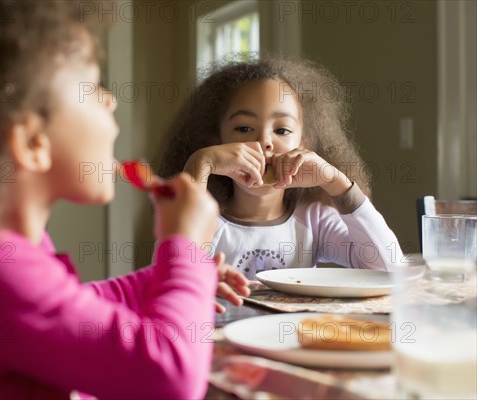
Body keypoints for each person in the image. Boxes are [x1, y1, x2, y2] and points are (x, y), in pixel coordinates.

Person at [0, 1, 247, 398]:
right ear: (32, 142)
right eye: (94, 88)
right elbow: (170, 377)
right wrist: (186, 249)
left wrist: (162, 280)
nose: (112, 100)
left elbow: (73, 310)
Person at [157, 57, 403, 279]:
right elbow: (170, 283)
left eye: (282, 130)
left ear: (303, 145)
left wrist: (336, 182)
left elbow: (389, 269)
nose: (264, 141)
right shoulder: (206, 223)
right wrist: (200, 164)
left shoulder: (314, 220)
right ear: (217, 141)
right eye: (243, 128)